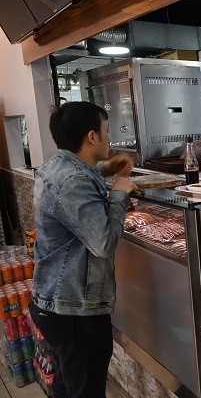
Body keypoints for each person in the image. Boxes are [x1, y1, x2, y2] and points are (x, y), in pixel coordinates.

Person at [29, 101, 138, 398]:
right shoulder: (74, 181)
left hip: (53, 303)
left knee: (67, 386)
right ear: (92, 137)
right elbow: (104, 242)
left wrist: (105, 168)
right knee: (85, 391)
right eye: (106, 131)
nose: (109, 137)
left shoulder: (55, 166)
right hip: (74, 312)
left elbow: (79, 176)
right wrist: (118, 194)